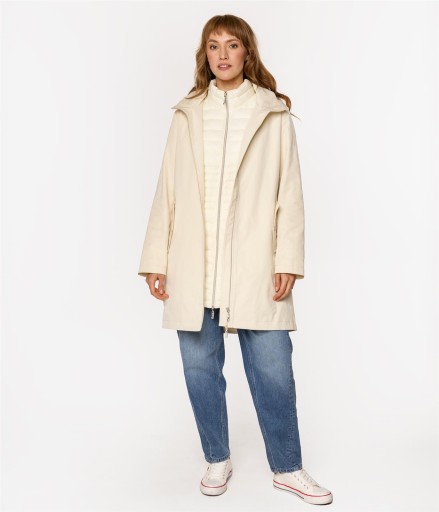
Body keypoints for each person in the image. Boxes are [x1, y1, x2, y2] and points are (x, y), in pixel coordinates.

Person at [138, 14, 333, 505]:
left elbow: (290, 192)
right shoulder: (187, 114)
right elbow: (167, 190)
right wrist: (156, 257)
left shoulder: (272, 113)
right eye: (213, 46)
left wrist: (287, 258)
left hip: (254, 262)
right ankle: (217, 457)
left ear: (248, 52)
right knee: (199, 369)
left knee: (273, 369)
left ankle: (288, 467)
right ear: (204, 55)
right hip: (193, 261)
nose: (222, 55)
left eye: (231, 45)